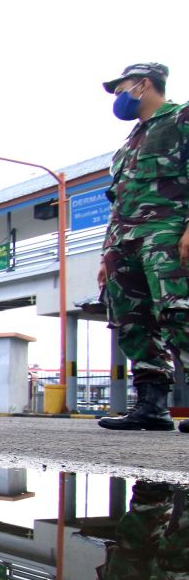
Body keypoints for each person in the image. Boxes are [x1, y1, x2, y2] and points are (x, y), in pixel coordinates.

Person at [95, 63, 189, 433]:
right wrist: (107, 253)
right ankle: (151, 406)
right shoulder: (128, 144)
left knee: (178, 312)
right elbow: (117, 203)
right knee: (132, 323)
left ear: (143, 85)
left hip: (167, 233)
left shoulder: (182, 118)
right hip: (124, 243)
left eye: (121, 89)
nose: (118, 99)